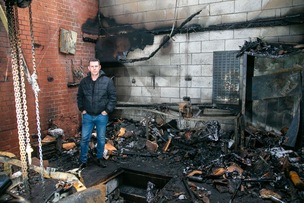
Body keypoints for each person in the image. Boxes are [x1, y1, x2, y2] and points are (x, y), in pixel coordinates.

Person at [77, 59, 117, 169]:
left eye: (96, 66)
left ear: (99, 67)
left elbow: (113, 98)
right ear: (89, 68)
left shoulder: (107, 81)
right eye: (92, 66)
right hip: (88, 116)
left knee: (101, 138)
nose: (94, 68)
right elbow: (79, 96)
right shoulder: (84, 82)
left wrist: (107, 111)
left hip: (101, 115)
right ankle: (83, 161)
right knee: (85, 138)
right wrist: (82, 109)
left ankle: (99, 158)